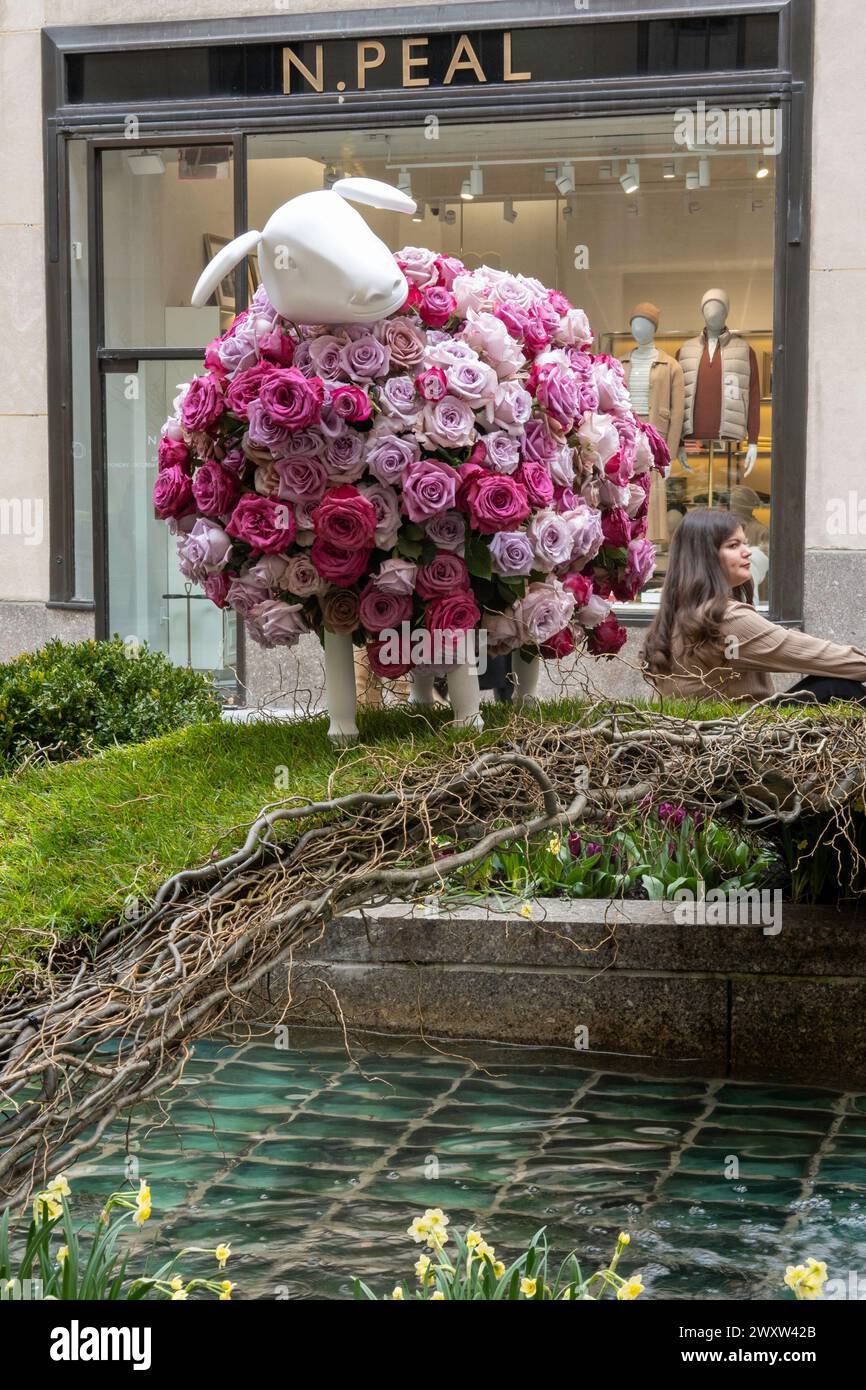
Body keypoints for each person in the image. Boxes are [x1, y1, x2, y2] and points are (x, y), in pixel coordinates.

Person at [641, 508, 866, 705]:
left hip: (710, 735)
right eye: (733, 545)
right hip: (740, 738)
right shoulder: (724, 618)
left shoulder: (682, 612)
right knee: (837, 686)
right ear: (706, 557)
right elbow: (819, 656)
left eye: (745, 543)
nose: (747, 551)